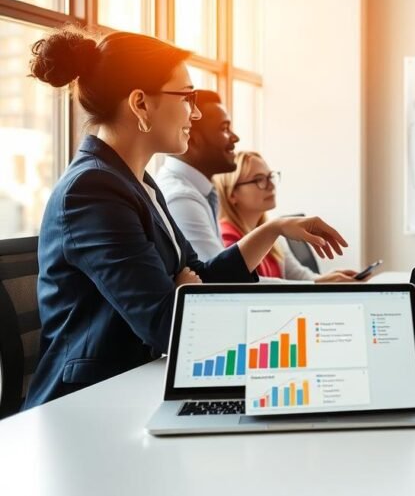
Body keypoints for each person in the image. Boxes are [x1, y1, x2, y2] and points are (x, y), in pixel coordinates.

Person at [24, 27, 348, 408]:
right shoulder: (93, 189)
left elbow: (201, 278)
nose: (194, 113)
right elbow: (167, 324)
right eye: (187, 97)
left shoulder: (137, 182)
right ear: (141, 104)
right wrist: (179, 292)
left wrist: (272, 230)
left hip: (139, 386)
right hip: (89, 404)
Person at [215, 151, 366, 282]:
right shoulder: (225, 238)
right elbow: (253, 286)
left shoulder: (271, 235)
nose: (271, 185)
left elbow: (297, 277)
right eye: (259, 179)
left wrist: (328, 279)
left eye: (270, 176)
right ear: (232, 194)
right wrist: (317, 284)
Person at [155, 90, 239, 261]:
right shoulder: (182, 198)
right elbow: (220, 279)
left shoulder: (197, 190)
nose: (235, 138)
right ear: (191, 139)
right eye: (224, 128)